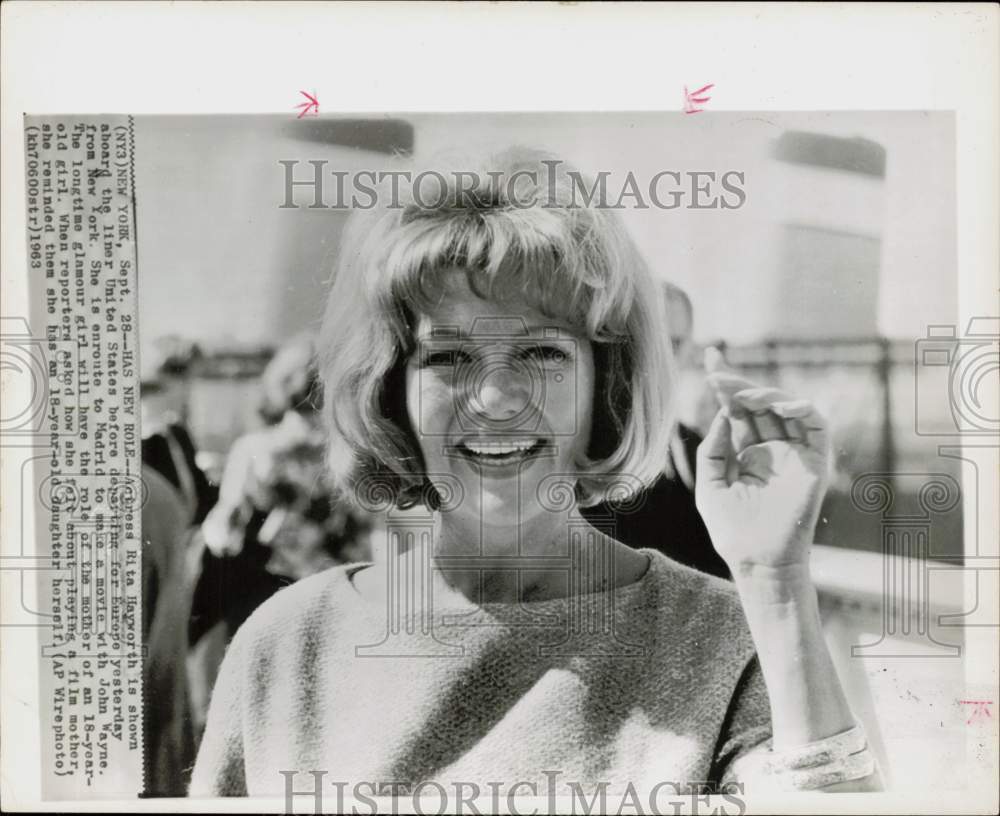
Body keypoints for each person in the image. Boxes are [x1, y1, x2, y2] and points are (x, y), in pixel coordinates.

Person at [190, 149, 880, 797]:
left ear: (603, 385)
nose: (495, 399)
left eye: (542, 353)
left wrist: (775, 581)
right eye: (449, 357)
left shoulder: (722, 639)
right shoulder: (287, 645)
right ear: (389, 390)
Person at [582, 282, 729, 578]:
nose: (660, 361)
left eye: (673, 345)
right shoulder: (588, 454)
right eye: (651, 342)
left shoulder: (700, 450)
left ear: (689, 351)